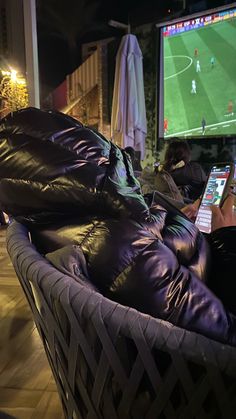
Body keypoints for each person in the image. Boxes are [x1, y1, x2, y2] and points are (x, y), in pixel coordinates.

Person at [1, 107, 236, 347]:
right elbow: (224, 333)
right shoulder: (119, 243)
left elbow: (149, 241)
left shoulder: (59, 215)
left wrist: (178, 219)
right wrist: (225, 235)